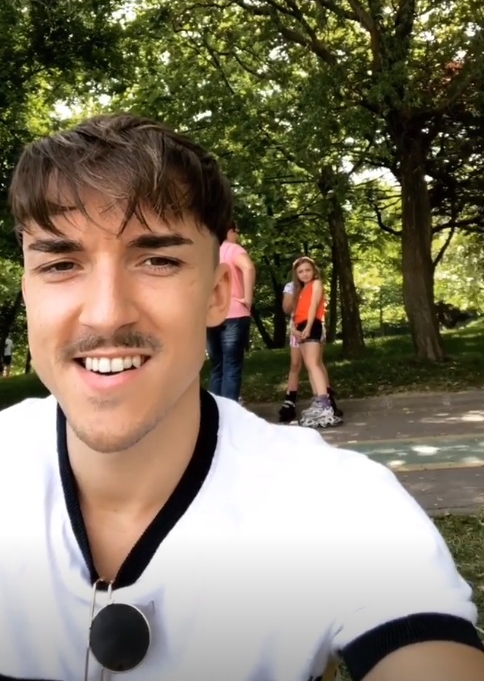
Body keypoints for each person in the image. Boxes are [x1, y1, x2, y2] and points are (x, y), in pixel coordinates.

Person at [0, 114, 483, 681]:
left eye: (158, 260)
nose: (107, 314)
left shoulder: (338, 504)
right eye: (61, 264)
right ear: (28, 293)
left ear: (217, 295)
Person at [278, 277, 343, 424]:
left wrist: (308, 327)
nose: (304, 274)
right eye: (300, 271)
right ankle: (291, 400)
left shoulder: (315, 285)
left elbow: (316, 306)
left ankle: (326, 400)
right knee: (297, 363)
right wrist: (296, 293)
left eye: (307, 270)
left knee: (315, 363)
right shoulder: (291, 286)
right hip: (297, 326)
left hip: (313, 326)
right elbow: (287, 308)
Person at [206, 221, 256, 401]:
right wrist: (247, 298)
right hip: (235, 312)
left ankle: (215, 411)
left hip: (211, 314)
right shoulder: (233, 249)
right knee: (231, 366)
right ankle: (229, 412)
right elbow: (248, 267)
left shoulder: (207, 252)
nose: (238, 235)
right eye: (237, 231)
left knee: (217, 366)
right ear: (230, 231)